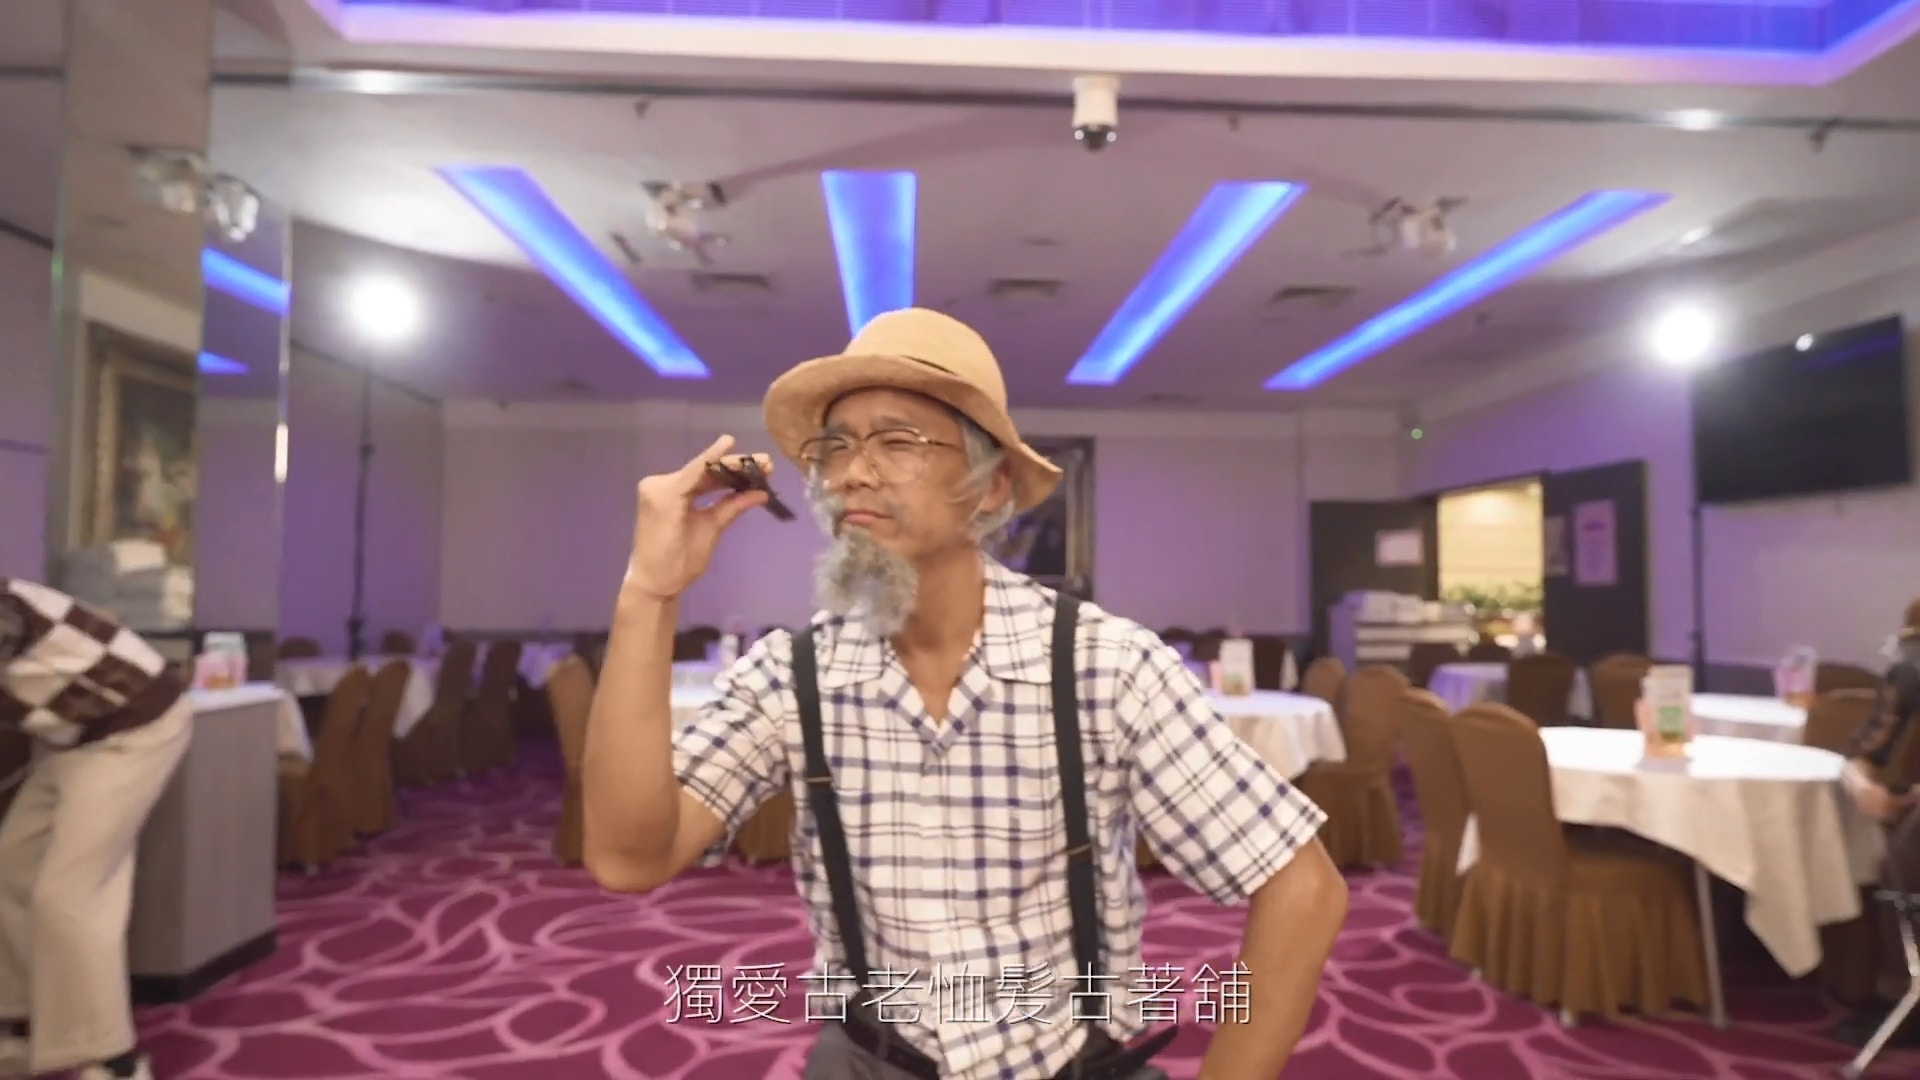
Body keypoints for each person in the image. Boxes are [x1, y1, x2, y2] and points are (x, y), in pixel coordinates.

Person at [584, 307, 1347, 1080]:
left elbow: (1303, 887)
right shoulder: (792, 676)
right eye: (836, 447)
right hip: (871, 1060)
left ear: (991, 486)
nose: (853, 474)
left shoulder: (1102, 666)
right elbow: (626, 859)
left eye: (898, 442)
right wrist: (650, 590)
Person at [0, 577, 193, 1080]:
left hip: (134, 728)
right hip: (73, 736)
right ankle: (20, 1026)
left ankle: (113, 1060)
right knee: (10, 868)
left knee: (68, 895)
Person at [1833, 599, 1920, 1048]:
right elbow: (1861, 752)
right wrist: (1862, 785)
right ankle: (1901, 991)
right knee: (1902, 845)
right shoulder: (1910, 672)